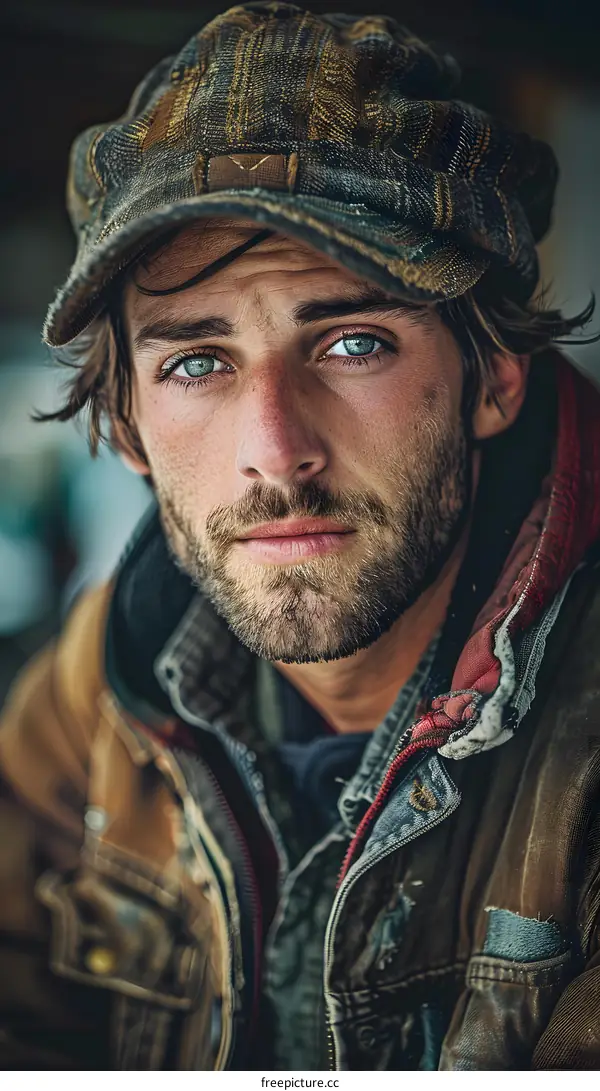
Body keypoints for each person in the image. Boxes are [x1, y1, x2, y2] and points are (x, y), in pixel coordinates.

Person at [1, 1, 599, 1072]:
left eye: (353, 340)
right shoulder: (97, 686)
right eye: (198, 361)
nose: (275, 453)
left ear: (493, 376)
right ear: (129, 425)